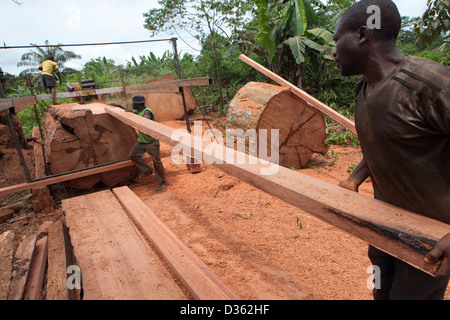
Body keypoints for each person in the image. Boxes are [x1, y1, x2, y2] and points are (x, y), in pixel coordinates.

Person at [333, 0, 450, 299]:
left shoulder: (429, 86)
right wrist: (354, 179)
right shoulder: (364, 88)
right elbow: (384, 142)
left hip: (431, 240)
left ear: (362, 35)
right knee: (380, 292)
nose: (333, 51)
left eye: (337, 40)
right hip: (384, 224)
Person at [111, 95, 167, 191]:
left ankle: (163, 182)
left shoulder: (147, 112)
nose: (132, 104)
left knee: (157, 162)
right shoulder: (138, 111)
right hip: (141, 141)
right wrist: (119, 106)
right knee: (133, 155)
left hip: (151, 142)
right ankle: (146, 170)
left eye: (133, 103)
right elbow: (129, 111)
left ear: (138, 104)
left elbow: (145, 120)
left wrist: (137, 118)